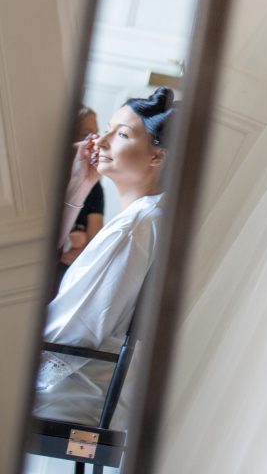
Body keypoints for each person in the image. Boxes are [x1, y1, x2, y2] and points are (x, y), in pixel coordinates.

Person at [33, 87, 177, 427]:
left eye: (122, 133)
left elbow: (74, 329)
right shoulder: (152, 215)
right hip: (93, 384)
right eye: (108, 128)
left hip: (73, 393)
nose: (102, 140)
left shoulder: (135, 226)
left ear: (158, 156)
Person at [53, 106, 104, 294]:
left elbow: (92, 244)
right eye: (86, 134)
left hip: (69, 275)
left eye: (96, 134)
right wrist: (69, 242)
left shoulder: (95, 187)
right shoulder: (48, 178)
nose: (94, 141)